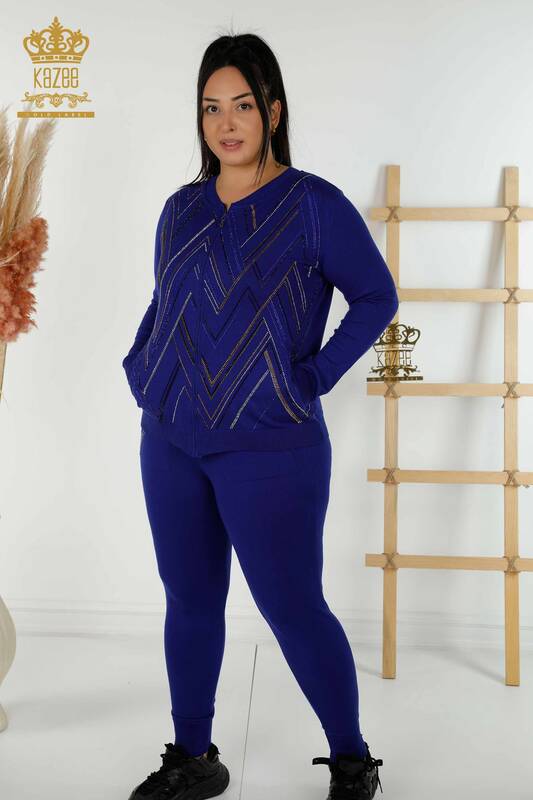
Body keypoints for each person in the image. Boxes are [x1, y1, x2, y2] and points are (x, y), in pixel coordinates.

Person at [123, 30, 397, 800]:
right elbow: (168, 300)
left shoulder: (313, 205)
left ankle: (351, 761)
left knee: (291, 605)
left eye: (242, 104)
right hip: (171, 440)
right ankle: (193, 758)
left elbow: (376, 296)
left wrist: (312, 376)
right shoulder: (180, 209)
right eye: (211, 107)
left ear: (272, 111)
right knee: (188, 600)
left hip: (272, 445)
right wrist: (145, 366)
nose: (226, 122)